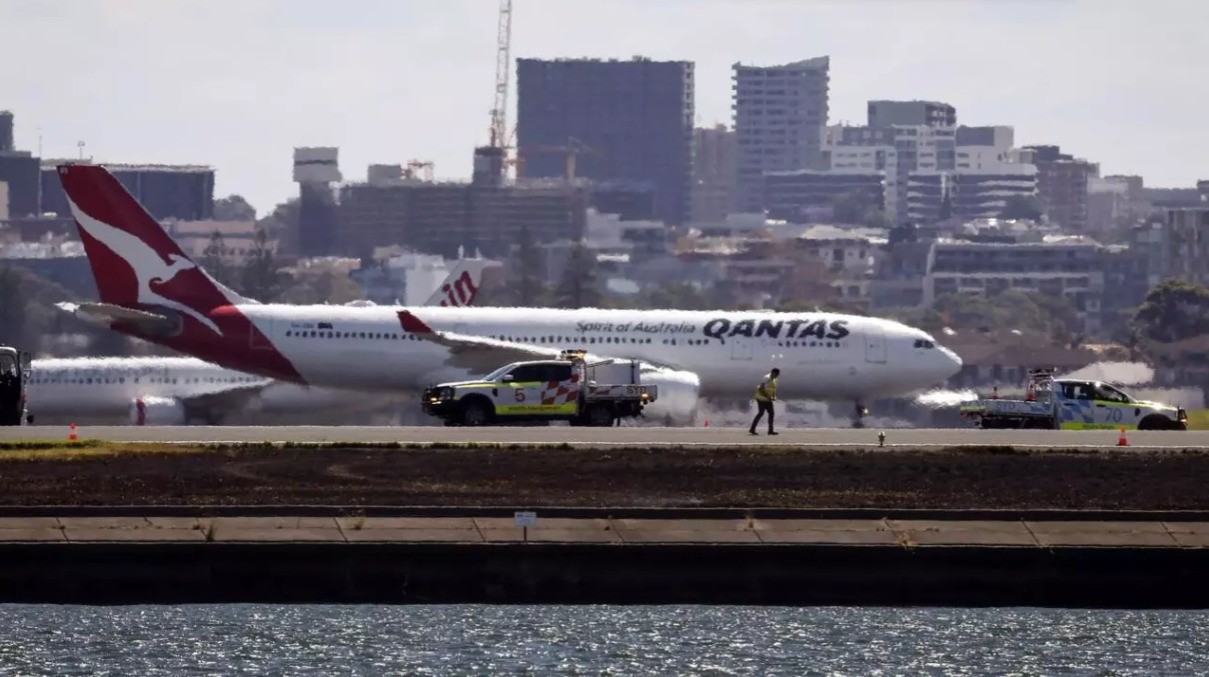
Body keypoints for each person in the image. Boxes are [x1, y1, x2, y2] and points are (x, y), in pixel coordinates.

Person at [749, 368, 780, 435]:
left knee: (771, 413)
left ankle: (770, 430)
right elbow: (761, 388)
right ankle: (752, 429)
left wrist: (773, 396)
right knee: (761, 413)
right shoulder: (766, 378)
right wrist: (767, 396)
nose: (777, 376)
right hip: (761, 398)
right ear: (773, 373)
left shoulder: (774, 380)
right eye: (776, 374)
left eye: (778, 375)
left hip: (768, 399)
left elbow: (773, 389)